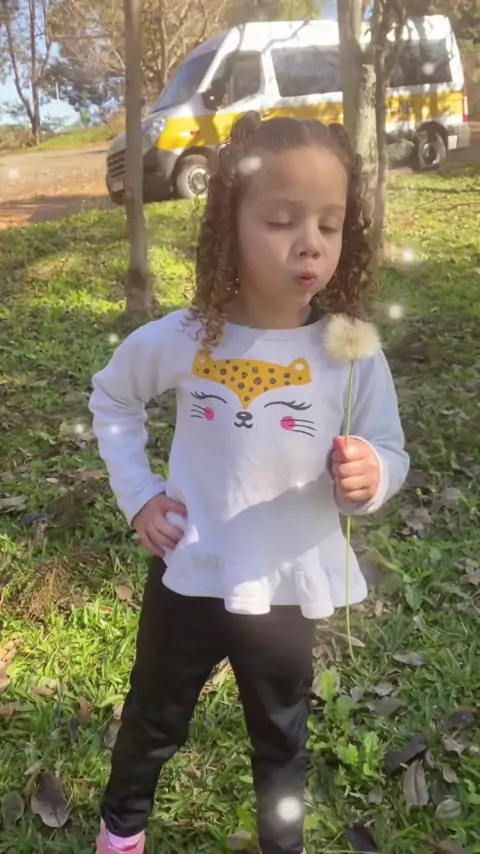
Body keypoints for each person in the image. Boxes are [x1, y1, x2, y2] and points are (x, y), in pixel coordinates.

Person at [89, 111, 409, 854]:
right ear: (227, 223)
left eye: (329, 223)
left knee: (282, 739)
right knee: (153, 719)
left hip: (287, 588)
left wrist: (373, 475)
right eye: (281, 220)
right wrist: (139, 496)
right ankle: (121, 833)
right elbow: (113, 398)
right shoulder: (186, 336)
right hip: (190, 573)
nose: (310, 243)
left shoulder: (350, 350)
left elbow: (389, 448)